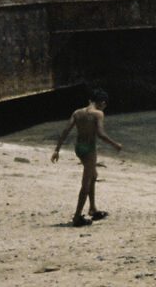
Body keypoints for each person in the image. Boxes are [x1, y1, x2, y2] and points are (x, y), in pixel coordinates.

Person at [51, 88, 123, 226]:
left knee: (93, 175)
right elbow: (100, 134)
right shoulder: (98, 114)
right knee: (86, 183)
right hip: (89, 150)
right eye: (104, 105)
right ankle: (77, 217)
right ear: (102, 102)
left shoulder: (77, 112)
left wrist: (57, 149)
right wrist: (115, 145)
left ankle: (93, 208)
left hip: (79, 148)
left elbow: (66, 131)